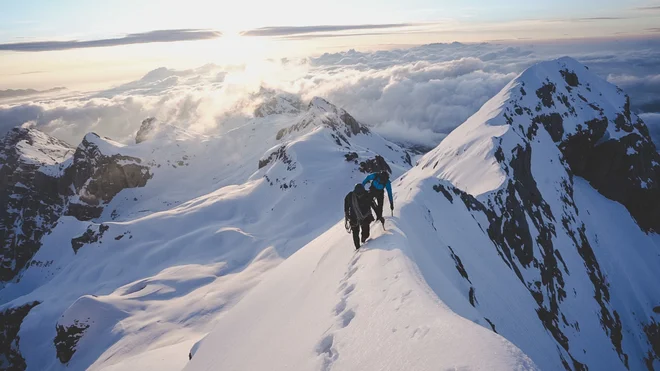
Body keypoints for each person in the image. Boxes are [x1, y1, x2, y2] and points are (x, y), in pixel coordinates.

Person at [344, 183, 377, 250]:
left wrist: (379, 215)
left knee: (366, 233)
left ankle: (363, 239)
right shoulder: (350, 196)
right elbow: (346, 204)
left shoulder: (367, 195)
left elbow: (374, 205)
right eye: (358, 194)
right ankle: (358, 248)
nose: (359, 196)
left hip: (365, 216)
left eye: (361, 194)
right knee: (355, 233)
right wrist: (347, 213)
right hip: (354, 217)